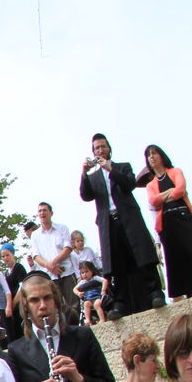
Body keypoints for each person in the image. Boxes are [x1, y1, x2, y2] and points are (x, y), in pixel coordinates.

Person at [80, 133, 165, 318]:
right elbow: (86, 196)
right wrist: (84, 174)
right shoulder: (93, 178)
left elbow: (129, 185)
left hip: (128, 218)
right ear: (93, 152)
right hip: (108, 222)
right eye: (97, 148)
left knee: (141, 256)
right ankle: (120, 302)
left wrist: (111, 169)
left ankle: (155, 292)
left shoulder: (122, 167)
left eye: (103, 147)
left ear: (109, 148)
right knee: (117, 264)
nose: (100, 150)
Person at [144, 144, 192, 300]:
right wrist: (170, 193)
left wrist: (164, 198)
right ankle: (189, 290)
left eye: (154, 153)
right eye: (149, 155)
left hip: (183, 216)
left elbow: (181, 189)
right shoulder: (151, 184)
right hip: (166, 223)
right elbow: (153, 200)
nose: (152, 157)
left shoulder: (175, 171)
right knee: (176, 257)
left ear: (161, 155)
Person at [30, 202, 77, 324]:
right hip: (49, 276)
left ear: (51, 213)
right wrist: (49, 266)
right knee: (57, 307)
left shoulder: (62, 228)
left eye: (44, 210)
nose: (42, 213)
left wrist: (54, 263)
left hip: (66, 271)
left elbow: (68, 248)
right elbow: (35, 255)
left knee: (74, 304)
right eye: (40, 211)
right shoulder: (35, 235)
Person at [0, 243, 28, 341]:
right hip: (12, 308)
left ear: (12, 254)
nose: (5, 258)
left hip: (19, 304)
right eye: (3, 256)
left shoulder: (18, 268)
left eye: (7, 255)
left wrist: (14, 302)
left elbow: (23, 286)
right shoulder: (7, 272)